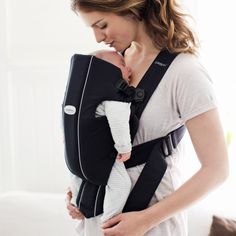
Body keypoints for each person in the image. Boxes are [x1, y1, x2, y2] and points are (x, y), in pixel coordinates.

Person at [66, 1, 229, 235]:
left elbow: (216, 170)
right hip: (96, 222)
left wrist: (144, 221)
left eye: (102, 25)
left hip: (152, 226)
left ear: (131, 9)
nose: (97, 38)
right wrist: (77, 188)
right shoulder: (111, 64)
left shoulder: (185, 72)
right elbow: (93, 136)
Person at [69, 49, 133, 224]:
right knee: (121, 185)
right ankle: (109, 221)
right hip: (97, 156)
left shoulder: (77, 96)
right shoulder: (112, 96)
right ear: (106, 71)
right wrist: (124, 148)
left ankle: (77, 205)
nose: (129, 70)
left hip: (73, 157)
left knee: (77, 177)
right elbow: (118, 122)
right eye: (122, 65)